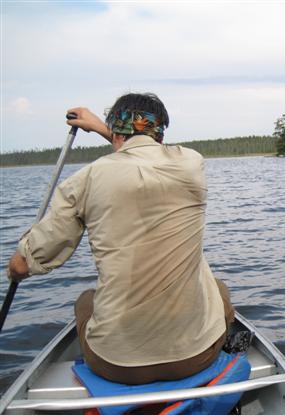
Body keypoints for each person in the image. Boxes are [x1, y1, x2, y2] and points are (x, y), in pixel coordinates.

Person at [7, 92, 234, 384]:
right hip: (198, 356)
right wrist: (104, 128)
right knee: (219, 291)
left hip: (116, 365)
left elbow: (24, 266)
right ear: (161, 135)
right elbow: (141, 155)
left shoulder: (85, 180)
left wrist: (14, 268)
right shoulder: (191, 164)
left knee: (85, 302)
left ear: (115, 130)